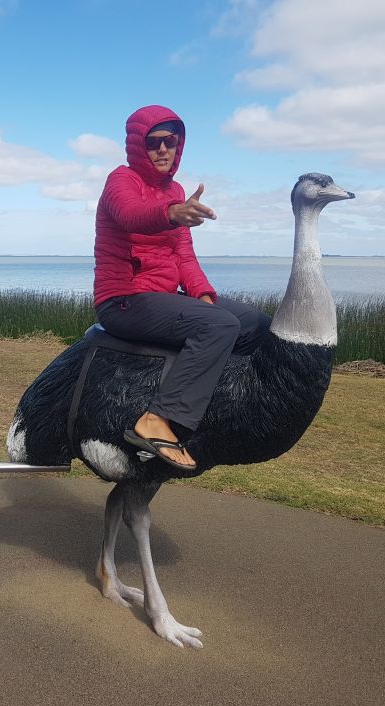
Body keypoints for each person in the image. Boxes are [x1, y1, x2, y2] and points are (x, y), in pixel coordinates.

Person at [93, 104, 270, 471]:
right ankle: (157, 419)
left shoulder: (175, 189)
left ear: (179, 144)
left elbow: (184, 255)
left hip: (161, 298)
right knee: (219, 325)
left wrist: (203, 296)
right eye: (153, 142)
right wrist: (171, 213)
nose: (162, 149)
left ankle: (211, 403)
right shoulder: (121, 180)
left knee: (255, 324)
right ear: (137, 145)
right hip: (123, 299)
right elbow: (130, 214)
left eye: (170, 141)